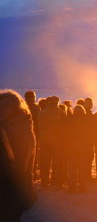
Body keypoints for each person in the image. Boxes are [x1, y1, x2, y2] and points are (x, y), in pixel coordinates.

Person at [0, 90, 37, 220]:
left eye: (5, 107)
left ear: (15, 108)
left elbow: (19, 169)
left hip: (14, 193)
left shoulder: (20, 130)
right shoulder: (6, 127)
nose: (1, 110)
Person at [38, 96, 63, 187]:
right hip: (57, 142)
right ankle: (56, 181)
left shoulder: (42, 113)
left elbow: (39, 127)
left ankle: (44, 181)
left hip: (45, 142)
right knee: (57, 163)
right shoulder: (61, 113)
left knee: (44, 163)